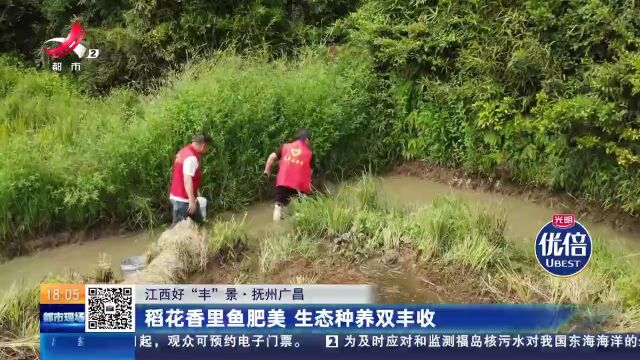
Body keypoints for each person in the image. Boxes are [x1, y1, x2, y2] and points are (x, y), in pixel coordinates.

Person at [263, 129, 313, 221]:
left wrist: (267, 172)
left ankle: (276, 231)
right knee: (300, 208)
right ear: (306, 140)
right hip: (300, 184)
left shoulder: (284, 147)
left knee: (278, 207)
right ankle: (297, 230)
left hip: (283, 182)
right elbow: (310, 172)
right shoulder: (310, 153)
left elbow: (271, 157)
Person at [169, 134, 211, 224]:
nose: (208, 150)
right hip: (183, 201)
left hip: (179, 197)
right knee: (179, 232)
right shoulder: (191, 158)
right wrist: (192, 200)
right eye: (208, 147)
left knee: (199, 225)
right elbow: (187, 179)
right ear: (203, 145)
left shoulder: (184, 151)